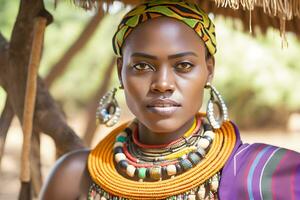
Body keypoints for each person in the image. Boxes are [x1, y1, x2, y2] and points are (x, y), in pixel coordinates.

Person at [40, 1, 300, 199]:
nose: (162, 84)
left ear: (209, 69)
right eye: (142, 66)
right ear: (121, 71)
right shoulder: (75, 176)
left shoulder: (263, 173)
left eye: (184, 65)